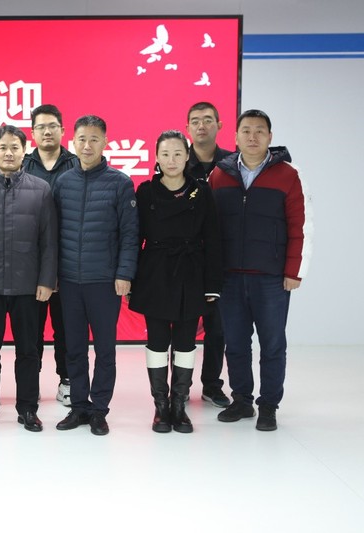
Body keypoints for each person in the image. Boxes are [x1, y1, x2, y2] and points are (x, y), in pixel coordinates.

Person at [210, 109, 312, 431]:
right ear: (235, 136)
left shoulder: (288, 175)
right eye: (246, 131)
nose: (252, 137)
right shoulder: (219, 175)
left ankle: (268, 405)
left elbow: (300, 225)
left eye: (259, 131)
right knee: (236, 343)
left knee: (272, 344)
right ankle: (242, 400)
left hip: (271, 277)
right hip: (230, 276)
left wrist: (294, 270)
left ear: (270, 136)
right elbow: (209, 229)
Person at [0, 125, 57, 432]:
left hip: (28, 286)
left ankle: (28, 408)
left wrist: (47, 280)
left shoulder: (41, 189)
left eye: (15, 147)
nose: (8, 152)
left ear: (24, 151)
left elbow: (49, 241)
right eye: (2, 147)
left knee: (29, 350)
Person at [129, 130, 222, 433]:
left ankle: (179, 406)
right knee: (157, 343)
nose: (171, 160)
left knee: (185, 342)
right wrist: (129, 280)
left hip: (191, 274)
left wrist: (212, 285)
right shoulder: (145, 192)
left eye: (178, 154)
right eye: (165, 154)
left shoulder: (201, 191)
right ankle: (160, 407)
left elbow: (213, 238)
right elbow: (134, 239)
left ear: (187, 157)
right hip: (154, 273)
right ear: (156, 157)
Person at [52, 115, 139, 436]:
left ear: (105, 142)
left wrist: (124, 273)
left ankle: (99, 409)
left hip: (104, 281)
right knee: (73, 348)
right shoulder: (63, 182)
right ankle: (78, 406)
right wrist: (52, 275)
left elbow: (130, 235)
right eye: (82, 139)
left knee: (105, 349)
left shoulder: (120, 183)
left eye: (94, 139)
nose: (87, 145)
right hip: (69, 281)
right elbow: (53, 233)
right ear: (73, 141)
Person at [22, 104, 78, 406]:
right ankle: (31, 383)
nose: (47, 131)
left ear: (62, 130)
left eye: (52, 126)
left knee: (66, 328)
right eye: (41, 127)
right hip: (31, 263)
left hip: (68, 260)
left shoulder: (76, 164)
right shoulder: (23, 165)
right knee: (31, 329)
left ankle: (67, 380)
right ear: (32, 133)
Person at [185, 102, 234, 409]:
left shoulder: (233, 164)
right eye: (195, 121)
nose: (201, 125)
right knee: (184, 329)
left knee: (218, 328)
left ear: (219, 124)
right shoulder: (177, 161)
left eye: (207, 120)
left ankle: (212, 386)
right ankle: (180, 387)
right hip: (186, 260)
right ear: (187, 127)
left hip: (221, 259)